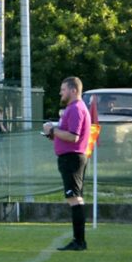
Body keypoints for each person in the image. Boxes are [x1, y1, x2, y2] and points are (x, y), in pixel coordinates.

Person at [42, 76, 95, 251]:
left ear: (73, 90)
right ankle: (79, 240)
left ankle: (79, 241)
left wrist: (53, 130)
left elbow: (74, 136)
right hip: (69, 157)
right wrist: (53, 134)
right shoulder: (72, 108)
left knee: (74, 198)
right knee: (73, 198)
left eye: (63, 89)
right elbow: (66, 135)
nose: (60, 93)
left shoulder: (76, 109)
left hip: (72, 158)